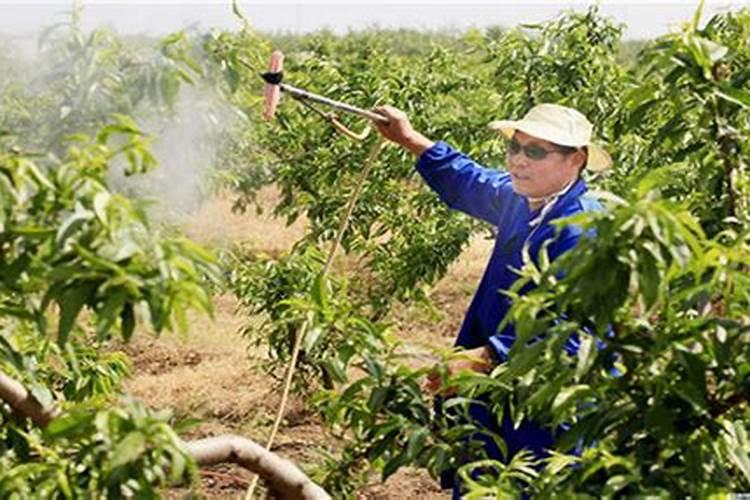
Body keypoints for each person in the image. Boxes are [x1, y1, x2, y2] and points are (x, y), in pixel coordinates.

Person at [372, 103, 612, 497]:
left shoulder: (583, 229)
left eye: (535, 151)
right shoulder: (521, 201)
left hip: (548, 410)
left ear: (577, 160)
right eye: (515, 148)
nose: (518, 160)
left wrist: (485, 358)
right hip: (496, 401)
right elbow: (470, 180)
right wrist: (409, 138)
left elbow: (574, 336)